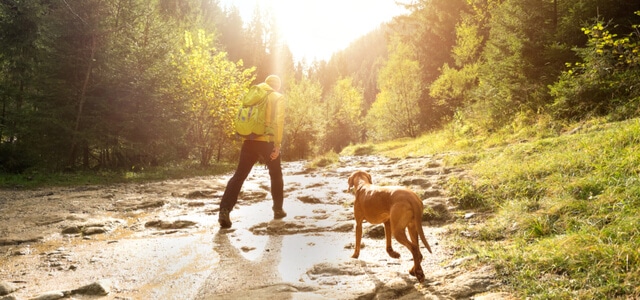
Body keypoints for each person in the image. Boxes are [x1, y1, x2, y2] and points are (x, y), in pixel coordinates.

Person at [218, 75, 287, 229]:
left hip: (249, 140)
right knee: (276, 175)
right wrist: (277, 145)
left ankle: (224, 210)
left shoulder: (253, 94)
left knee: (239, 176)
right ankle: (277, 209)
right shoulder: (277, 97)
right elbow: (279, 121)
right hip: (267, 142)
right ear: (277, 86)